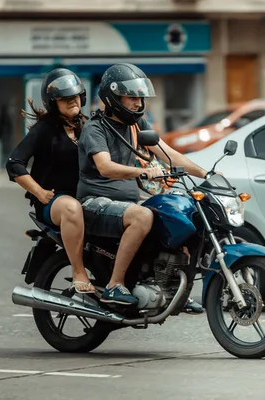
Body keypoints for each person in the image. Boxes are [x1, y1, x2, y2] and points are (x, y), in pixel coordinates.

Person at [77, 63, 209, 310]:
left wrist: (205, 172)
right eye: (132, 97)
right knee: (143, 216)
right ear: (113, 97)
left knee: (179, 215)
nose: (138, 103)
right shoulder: (95, 128)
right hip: (94, 203)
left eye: (140, 97)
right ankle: (114, 285)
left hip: (126, 203)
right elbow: (105, 167)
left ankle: (175, 289)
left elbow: (167, 152)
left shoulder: (136, 125)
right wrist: (144, 170)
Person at [5, 68, 95, 294]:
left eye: (75, 97)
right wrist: (39, 192)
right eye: (65, 99)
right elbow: (14, 163)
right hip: (54, 202)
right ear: (53, 103)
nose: (72, 102)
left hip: (87, 195)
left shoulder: (90, 126)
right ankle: (78, 272)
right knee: (71, 208)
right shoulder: (45, 130)